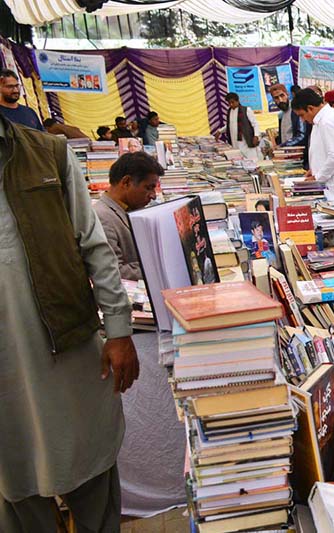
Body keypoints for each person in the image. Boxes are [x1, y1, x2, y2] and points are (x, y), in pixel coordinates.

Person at [0, 113, 139, 531]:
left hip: (66, 352)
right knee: (17, 483)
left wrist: (119, 331)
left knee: (90, 470)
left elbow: (94, 246)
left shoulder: (47, 154)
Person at [94, 152, 164, 281]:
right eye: (149, 188)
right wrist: (160, 266)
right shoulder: (102, 217)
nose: (153, 195)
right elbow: (116, 272)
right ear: (126, 182)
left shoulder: (133, 209)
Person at [220, 92, 261, 161]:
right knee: (238, 160)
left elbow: (255, 124)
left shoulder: (247, 110)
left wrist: (256, 136)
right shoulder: (229, 111)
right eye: (229, 103)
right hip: (234, 141)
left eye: (232, 102)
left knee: (251, 160)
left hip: (246, 140)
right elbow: (229, 125)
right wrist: (220, 131)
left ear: (238, 101)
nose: (231, 104)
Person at [269, 83, 306, 148]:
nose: (280, 100)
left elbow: (301, 135)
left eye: (282, 95)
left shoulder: (295, 110)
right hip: (286, 153)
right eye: (276, 98)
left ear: (287, 95)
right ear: (273, 100)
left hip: (298, 153)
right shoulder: (281, 114)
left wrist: (282, 145)